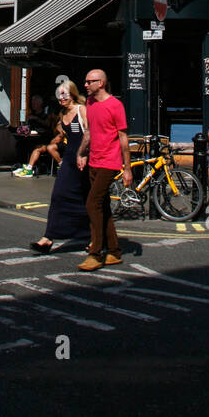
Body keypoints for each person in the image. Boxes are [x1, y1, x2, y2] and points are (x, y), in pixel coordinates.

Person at [75, 68, 131, 270]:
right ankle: (114, 251)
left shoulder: (116, 105)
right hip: (94, 160)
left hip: (110, 161)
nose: (86, 84)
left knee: (92, 204)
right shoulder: (89, 103)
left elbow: (123, 138)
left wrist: (127, 168)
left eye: (90, 81)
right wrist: (81, 153)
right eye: (85, 80)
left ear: (101, 83)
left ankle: (95, 253)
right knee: (103, 207)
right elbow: (89, 131)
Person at [29, 82, 91, 250]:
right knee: (58, 195)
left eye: (64, 94)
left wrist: (84, 154)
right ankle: (48, 237)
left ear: (72, 94)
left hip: (84, 158)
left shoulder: (81, 110)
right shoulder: (62, 113)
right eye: (59, 95)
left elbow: (89, 132)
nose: (61, 98)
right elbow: (61, 134)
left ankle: (92, 237)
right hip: (69, 158)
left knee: (87, 197)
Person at [13, 95, 62, 177]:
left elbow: (47, 125)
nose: (33, 104)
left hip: (45, 139)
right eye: (32, 102)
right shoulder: (31, 114)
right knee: (20, 143)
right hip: (34, 137)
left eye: (35, 102)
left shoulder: (46, 115)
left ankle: (30, 168)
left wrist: (36, 119)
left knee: (36, 147)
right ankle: (23, 165)